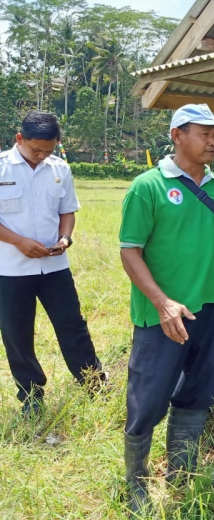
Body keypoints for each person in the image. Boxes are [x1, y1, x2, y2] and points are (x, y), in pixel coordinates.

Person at [119, 103, 214, 514]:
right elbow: (130, 252)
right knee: (150, 394)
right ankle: (135, 480)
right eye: (203, 133)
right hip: (164, 315)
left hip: (210, 308)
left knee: (200, 389)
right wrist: (162, 302)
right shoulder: (149, 186)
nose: (213, 141)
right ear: (177, 135)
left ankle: (183, 468)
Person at [0, 111, 104, 416]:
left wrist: (65, 239)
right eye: (36, 150)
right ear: (20, 139)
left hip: (54, 267)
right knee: (17, 333)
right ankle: (31, 394)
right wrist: (19, 241)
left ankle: (92, 381)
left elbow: (67, 211)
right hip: (10, 268)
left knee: (72, 325)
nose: (43, 155)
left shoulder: (60, 168)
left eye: (49, 150)